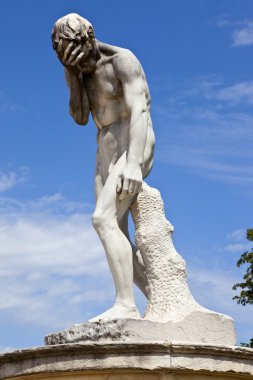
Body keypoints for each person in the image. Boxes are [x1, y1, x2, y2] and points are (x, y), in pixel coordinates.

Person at [52, 13, 155, 321]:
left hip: (135, 141)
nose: (79, 64)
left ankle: (126, 305)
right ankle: (160, 295)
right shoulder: (77, 70)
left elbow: (140, 109)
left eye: (80, 56)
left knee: (102, 219)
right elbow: (81, 117)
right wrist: (73, 75)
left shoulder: (123, 60)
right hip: (105, 147)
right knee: (113, 230)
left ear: (89, 39)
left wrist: (134, 163)